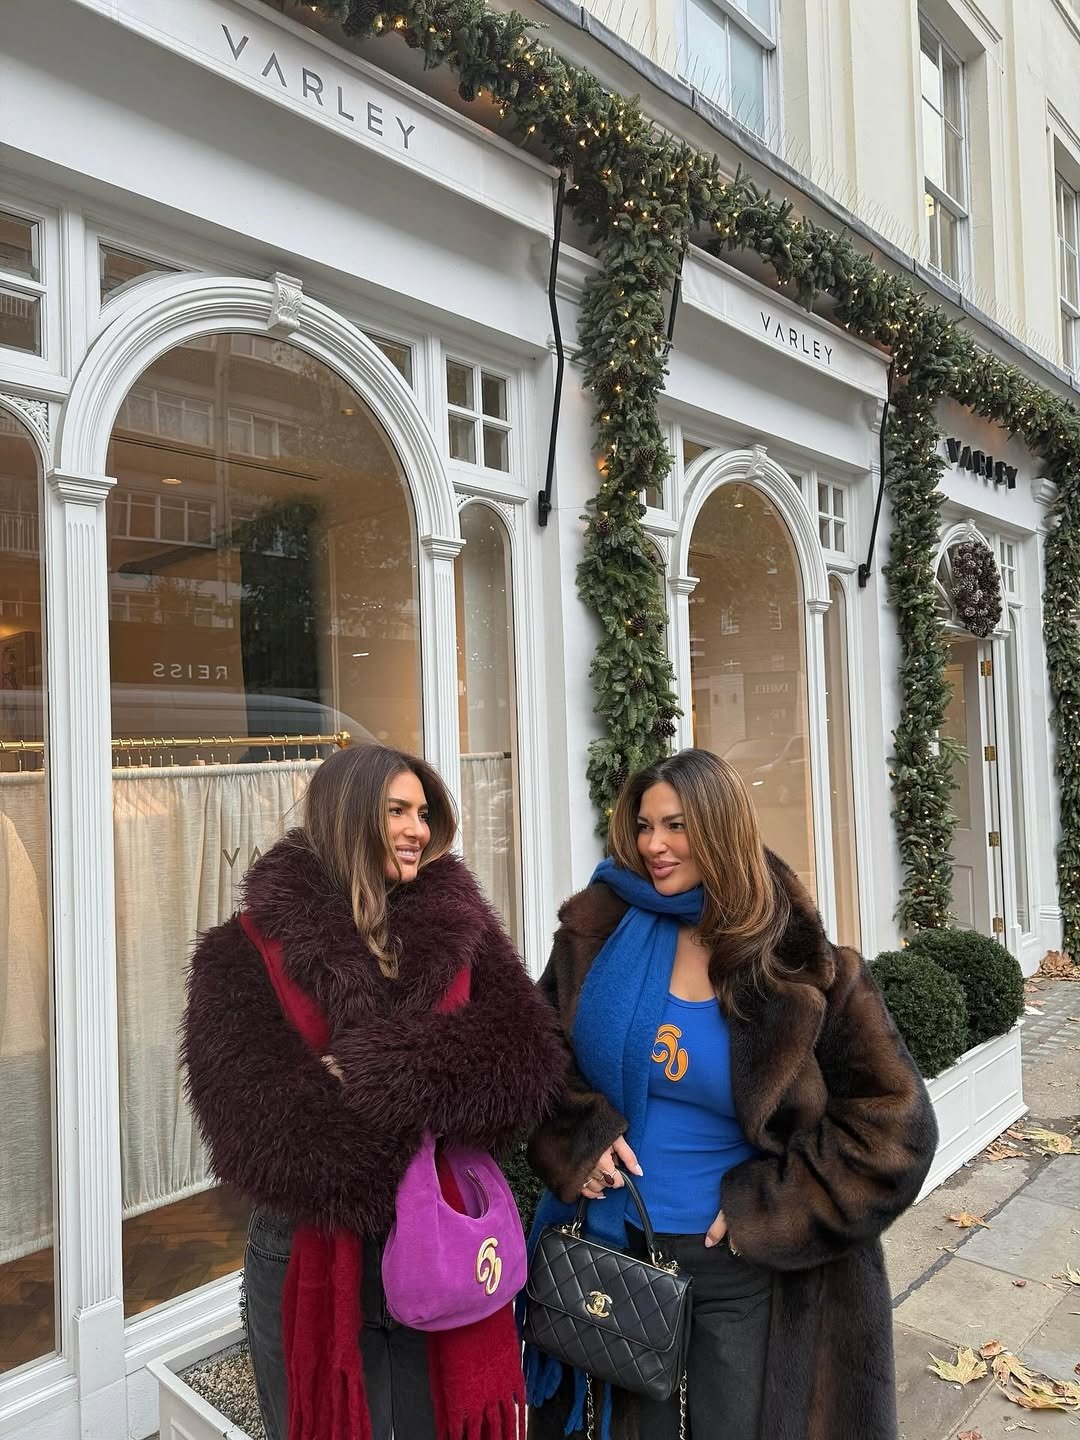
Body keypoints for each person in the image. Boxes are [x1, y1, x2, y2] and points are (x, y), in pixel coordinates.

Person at [525, 748, 937, 1440]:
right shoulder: (601, 934)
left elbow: (896, 1130)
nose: (654, 845)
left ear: (720, 828)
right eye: (645, 825)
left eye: (676, 825)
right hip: (612, 1254)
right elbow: (536, 1055)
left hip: (739, 1271)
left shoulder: (800, 964)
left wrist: (771, 1210)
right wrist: (576, 1139)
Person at [181, 743, 565, 1440]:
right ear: (346, 814)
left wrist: (370, 1070)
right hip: (312, 1248)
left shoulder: (460, 931)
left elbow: (526, 1059)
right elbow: (256, 1132)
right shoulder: (239, 953)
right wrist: (434, 1095)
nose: (418, 829)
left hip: (441, 1238)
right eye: (397, 811)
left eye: (423, 813)